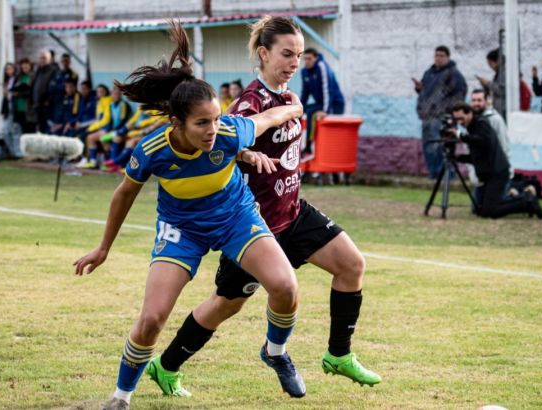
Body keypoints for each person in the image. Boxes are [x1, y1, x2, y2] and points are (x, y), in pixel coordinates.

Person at [147, 15, 381, 400]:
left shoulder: (289, 98)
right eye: (286, 54)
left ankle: (337, 354)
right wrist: (246, 152)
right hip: (253, 226)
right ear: (263, 53)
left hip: (292, 211)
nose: (294, 62)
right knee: (225, 306)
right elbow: (219, 141)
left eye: (299, 55)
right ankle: (166, 366)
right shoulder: (249, 102)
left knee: (352, 265)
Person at [73, 22, 305, 410]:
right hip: (182, 230)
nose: (213, 129)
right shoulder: (153, 150)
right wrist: (103, 248)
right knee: (151, 320)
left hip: (235, 217)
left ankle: (276, 352)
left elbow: (266, 120)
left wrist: (294, 108)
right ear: (177, 123)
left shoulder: (229, 131)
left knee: (286, 287)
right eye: (202, 123)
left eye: (216, 119)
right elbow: (123, 194)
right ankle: (120, 398)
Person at [450, 102, 542, 219]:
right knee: (479, 209)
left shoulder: (481, 123)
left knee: (489, 212)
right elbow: (478, 155)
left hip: (497, 173)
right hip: (489, 174)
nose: (459, 122)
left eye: (461, 118)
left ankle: (527, 201)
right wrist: (458, 158)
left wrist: (460, 135)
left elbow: (483, 141)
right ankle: (524, 198)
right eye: (456, 119)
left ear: (469, 113)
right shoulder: (472, 128)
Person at [414, 45, 468, 178]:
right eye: (436, 55)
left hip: (442, 118)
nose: (438, 58)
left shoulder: (453, 74)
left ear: (448, 57)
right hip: (426, 116)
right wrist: (419, 88)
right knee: (428, 147)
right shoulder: (429, 73)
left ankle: (447, 176)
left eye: (441, 56)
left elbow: (459, 96)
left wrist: (448, 113)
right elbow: (426, 91)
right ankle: (433, 175)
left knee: (442, 148)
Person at [300, 47, 345, 155]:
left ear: (315, 58)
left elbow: (327, 89)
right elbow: (305, 92)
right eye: (305, 59)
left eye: (309, 59)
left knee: (311, 113)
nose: (307, 61)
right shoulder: (304, 71)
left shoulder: (321, 66)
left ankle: (309, 146)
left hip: (334, 103)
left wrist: (325, 110)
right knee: (300, 111)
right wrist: (299, 108)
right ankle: (296, 143)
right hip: (321, 103)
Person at [77, 85, 132, 169]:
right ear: (111, 94)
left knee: (110, 138)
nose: (115, 95)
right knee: (95, 138)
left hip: (121, 130)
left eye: (117, 94)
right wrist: (109, 130)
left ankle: (114, 162)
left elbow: (123, 121)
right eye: (114, 94)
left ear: (120, 94)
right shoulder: (111, 105)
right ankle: (94, 161)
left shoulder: (123, 105)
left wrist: (114, 131)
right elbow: (109, 120)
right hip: (113, 130)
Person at [469, 89, 511, 178]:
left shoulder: (495, 119)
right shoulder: (471, 121)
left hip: (496, 172)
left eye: (479, 100)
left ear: (486, 101)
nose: (476, 103)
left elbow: (504, 144)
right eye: (474, 100)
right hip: (480, 171)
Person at [31, 49, 58, 133]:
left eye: (44, 58)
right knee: (39, 128)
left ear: (49, 60)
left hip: (47, 106)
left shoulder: (53, 71)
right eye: (41, 58)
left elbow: (54, 88)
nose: (42, 60)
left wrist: (48, 100)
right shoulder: (38, 70)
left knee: (47, 129)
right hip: (37, 105)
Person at [1, 62, 23, 158]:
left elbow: (20, 92)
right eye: (7, 69)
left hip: (16, 107)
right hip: (8, 107)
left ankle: (18, 153)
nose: (8, 71)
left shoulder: (17, 80)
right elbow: (5, 97)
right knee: (5, 131)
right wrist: (3, 109)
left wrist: (15, 93)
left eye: (10, 69)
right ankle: (12, 151)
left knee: (16, 130)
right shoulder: (6, 81)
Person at [476, 48, 505, 118]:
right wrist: (485, 86)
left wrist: (488, 83)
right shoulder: (498, 74)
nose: (490, 67)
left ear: (497, 61)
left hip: (503, 110)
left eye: (490, 63)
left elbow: (501, 91)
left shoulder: (505, 74)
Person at [11, 58, 35, 134]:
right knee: (20, 132)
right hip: (18, 108)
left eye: (26, 67)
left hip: (28, 109)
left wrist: (19, 94)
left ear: (30, 66)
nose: (25, 69)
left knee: (28, 131)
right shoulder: (19, 77)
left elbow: (32, 92)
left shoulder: (33, 76)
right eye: (23, 67)